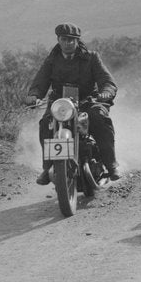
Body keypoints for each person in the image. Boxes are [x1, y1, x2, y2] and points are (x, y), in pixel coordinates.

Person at [26, 23, 121, 184]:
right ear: (58, 40)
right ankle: (47, 168)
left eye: (72, 39)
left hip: (87, 101)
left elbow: (107, 81)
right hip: (60, 103)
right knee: (45, 124)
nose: (68, 43)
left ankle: (111, 165)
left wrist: (106, 92)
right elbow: (40, 81)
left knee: (100, 119)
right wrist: (34, 95)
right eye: (64, 39)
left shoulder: (91, 57)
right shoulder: (52, 60)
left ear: (77, 41)